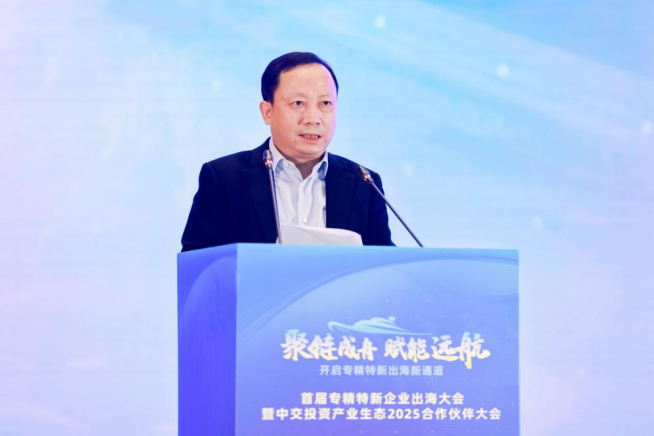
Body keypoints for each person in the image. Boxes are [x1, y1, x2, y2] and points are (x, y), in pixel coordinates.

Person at [181, 52, 393, 251]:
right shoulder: (223, 179)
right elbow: (197, 267)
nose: (313, 118)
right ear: (267, 112)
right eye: (298, 103)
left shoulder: (364, 183)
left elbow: (386, 268)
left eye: (325, 103)